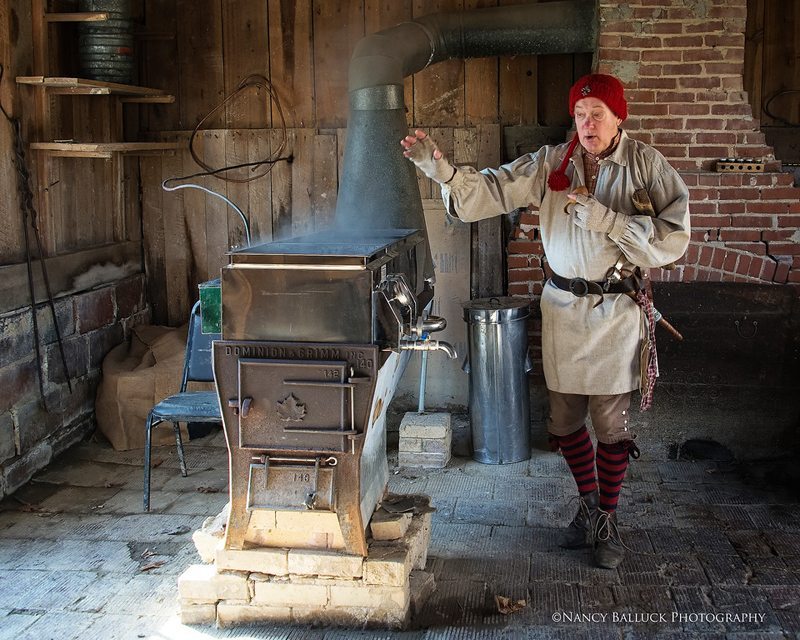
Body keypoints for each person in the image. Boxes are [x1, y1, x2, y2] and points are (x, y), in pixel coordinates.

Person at [401, 73, 690, 569]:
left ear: (619, 115)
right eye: (580, 115)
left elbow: (674, 236)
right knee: (564, 420)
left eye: (597, 113)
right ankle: (588, 505)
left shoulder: (646, 166)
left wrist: (608, 221)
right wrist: (444, 173)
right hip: (562, 311)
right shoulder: (551, 163)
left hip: (616, 313)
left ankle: (608, 518)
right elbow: (491, 191)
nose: (587, 123)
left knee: (610, 423)